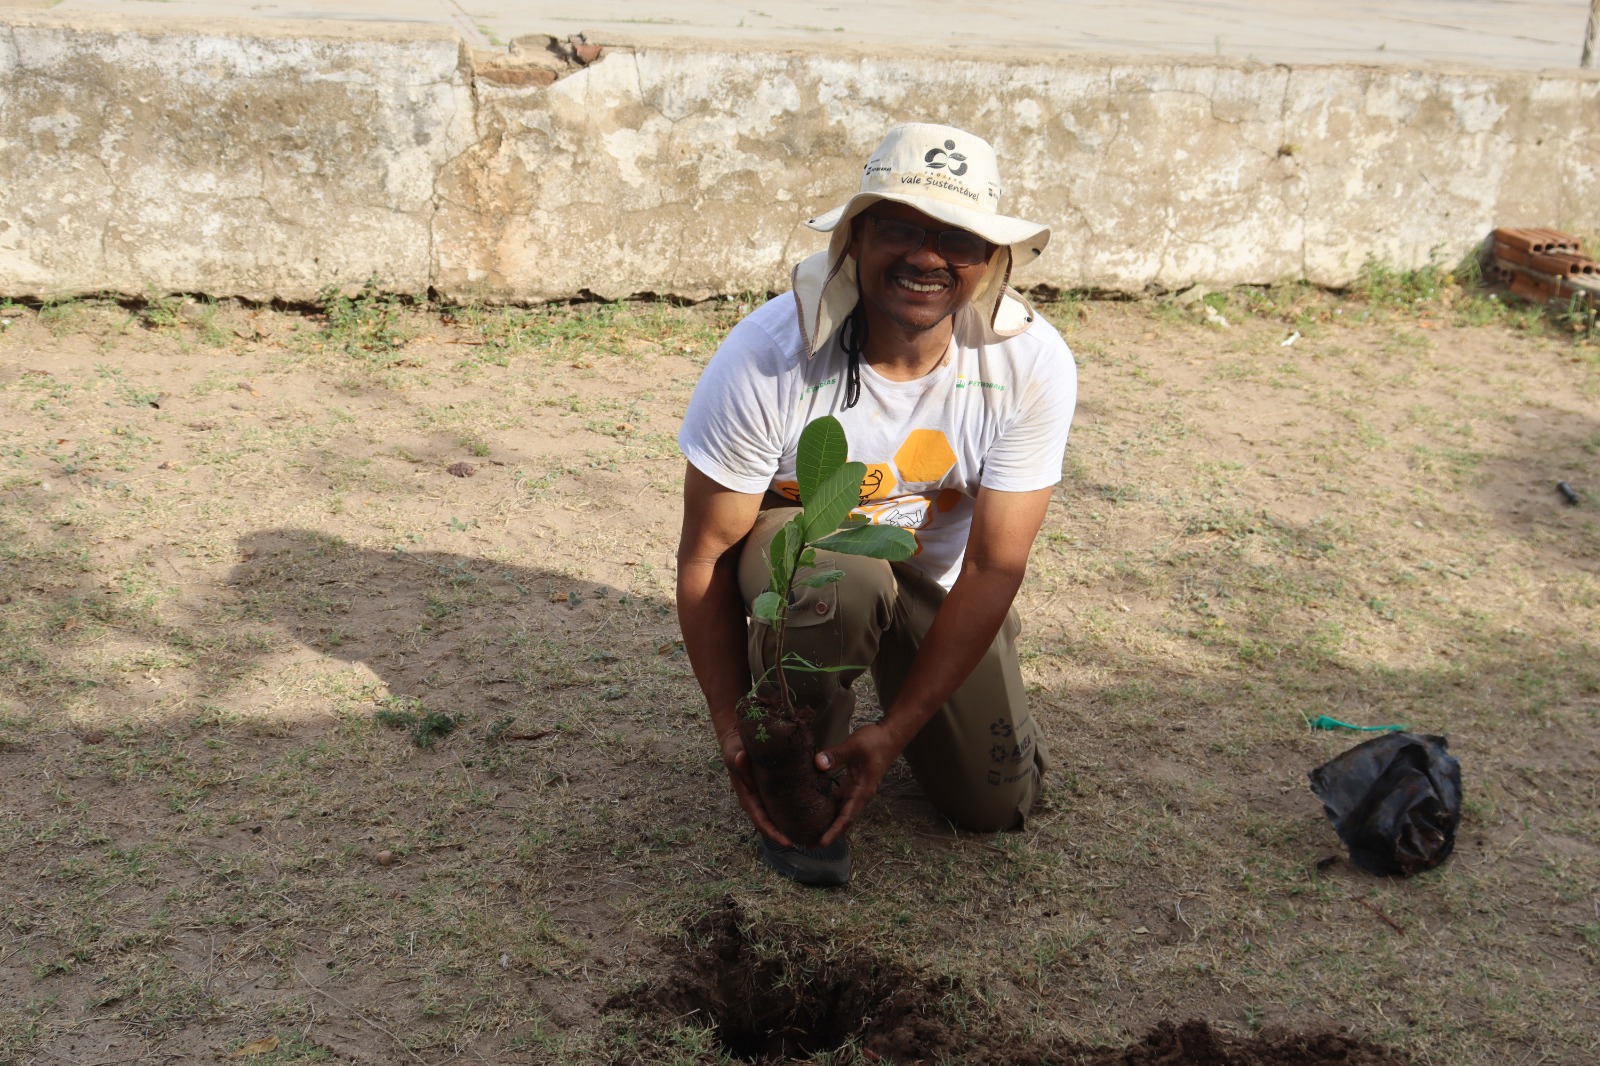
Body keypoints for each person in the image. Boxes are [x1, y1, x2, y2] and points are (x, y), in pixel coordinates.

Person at [675, 122, 1077, 887]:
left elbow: (994, 567)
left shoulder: (1029, 363)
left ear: (989, 260)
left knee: (993, 804)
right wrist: (732, 725)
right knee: (843, 580)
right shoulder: (769, 355)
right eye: (900, 228)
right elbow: (706, 556)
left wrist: (895, 733)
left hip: (929, 590)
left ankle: (904, 701)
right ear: (855, 239)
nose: (927, 257)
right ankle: (800, 769)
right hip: (809, 570)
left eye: (956, 238)